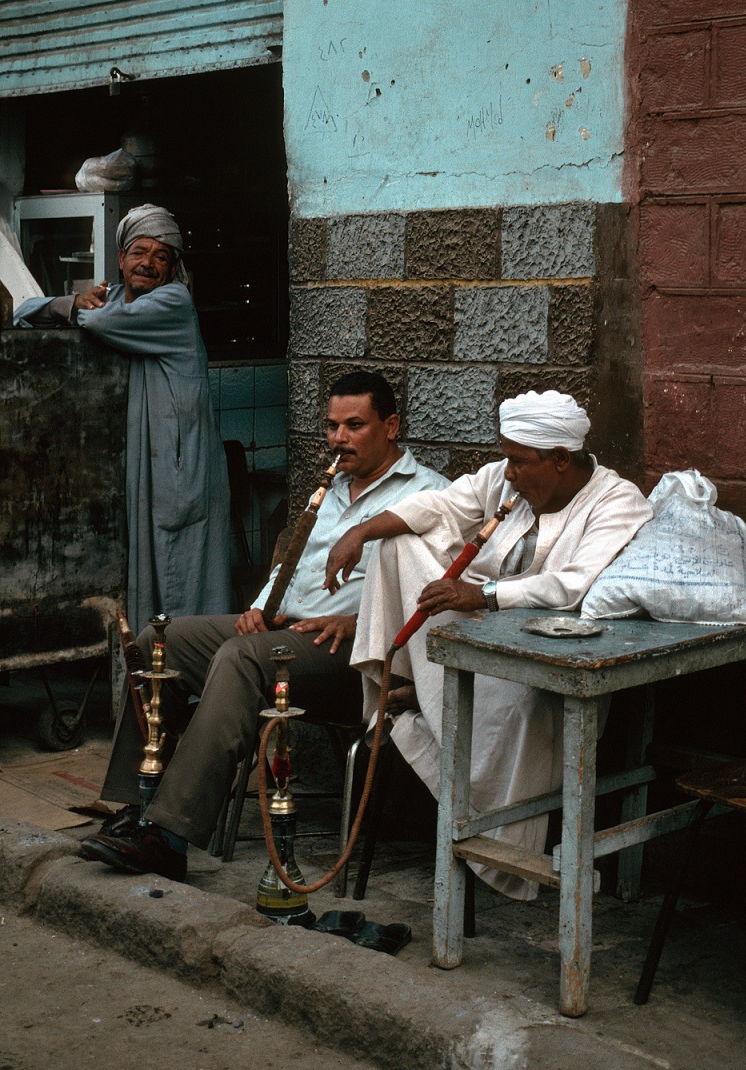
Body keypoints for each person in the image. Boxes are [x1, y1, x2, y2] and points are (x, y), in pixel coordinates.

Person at [79, 370, 449, 880]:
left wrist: (361, 618)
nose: (338, 439)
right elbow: (289, 563)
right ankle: (135, 804)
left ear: (391, 426)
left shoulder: (432, 495)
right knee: (158, 642)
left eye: (354, 425)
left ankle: (168, 835)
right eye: (332, 426)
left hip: (353, 648)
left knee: (241, 659)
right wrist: (258, 605)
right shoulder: (332, 487)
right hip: (285, 629)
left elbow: (440, 590)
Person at [324, 390, 653, 900]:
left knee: (523, 709)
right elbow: (439, 505)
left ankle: (501, 850)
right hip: (470, 626)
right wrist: (363, 530)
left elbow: (575, 585)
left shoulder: (617, 501)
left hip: (543, 650)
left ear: (561, 460)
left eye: (519, 461)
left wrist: (482, 593)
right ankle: (415, 682)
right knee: (396, 545)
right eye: (507, 458)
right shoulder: (504, 475)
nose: (510, 473)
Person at [14, 204, 232, 632]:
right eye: (139, 251)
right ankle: (147, 681)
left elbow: (102, 323)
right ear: (120, 257)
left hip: (179, 469)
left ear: (172, 269)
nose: (148, 263)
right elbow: (22, 314)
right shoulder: (110, 297)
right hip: (141, 468)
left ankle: (189, 681)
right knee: (144, 574)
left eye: (161, 256)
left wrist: (74, 307)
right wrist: (72, 301)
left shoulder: (173, 301)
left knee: (183, 573)